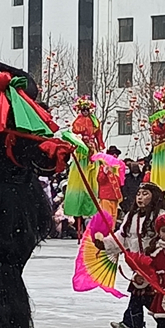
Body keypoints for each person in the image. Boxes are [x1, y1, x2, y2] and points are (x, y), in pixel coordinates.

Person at [95, 183, 165, 328]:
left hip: (157, 266)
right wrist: (104, 243)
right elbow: (121, 237)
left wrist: (154, 251)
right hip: (138, 267)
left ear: (154, 197)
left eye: (145, 194)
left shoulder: (161, 217)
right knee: (137, 300)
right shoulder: (131, 216)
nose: (140, 197)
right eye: (139, 194)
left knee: (151, 301)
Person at [63, 95, 102, 237]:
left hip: (92, 150)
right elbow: (75, 134)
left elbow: (98, 135)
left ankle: (91, 209)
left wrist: (99, 146)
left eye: (87, 109)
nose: (85, 112)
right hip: (81, 152)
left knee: (92, 180)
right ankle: (77, 209)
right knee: (80, 179)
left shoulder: (94, 121)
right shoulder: (78, 121)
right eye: (83, 109)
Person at [96, 146, 124, 222]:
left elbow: (120, 182)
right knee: (107, 217)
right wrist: (104, 173)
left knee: (114, 217)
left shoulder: (116, 168)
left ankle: (112, 229)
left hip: (115, 196)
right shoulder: (102, 167)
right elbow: (100, 180)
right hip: (106, 196)